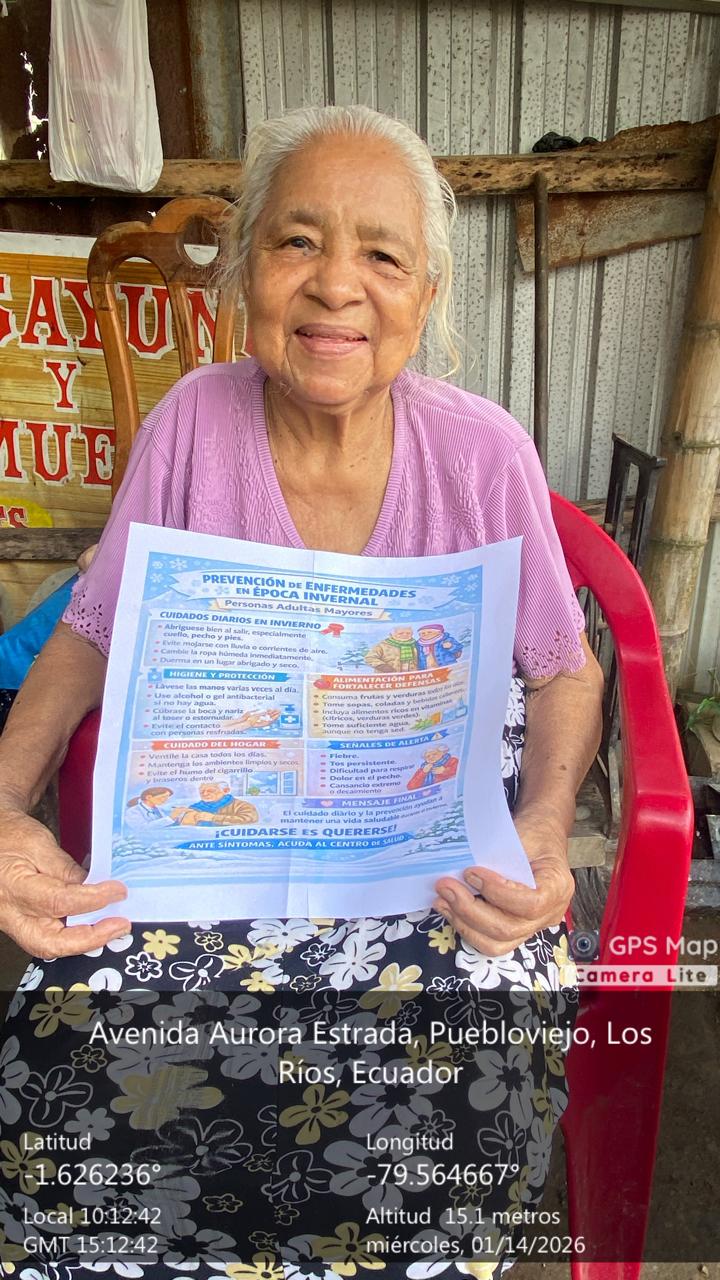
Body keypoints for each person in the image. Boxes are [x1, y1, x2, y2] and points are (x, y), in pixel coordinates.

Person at [0, 105, 603, 1277]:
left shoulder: (483, 454)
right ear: (243, 271)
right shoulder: (190, 425)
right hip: (206, 854)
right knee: (72, 1056)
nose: (336, 285)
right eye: (297, 241)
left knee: (462, 1076)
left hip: (432, 868)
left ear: (427, 295)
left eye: (382, 255)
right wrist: (5, 807)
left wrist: (540, 823)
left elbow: (562, 666)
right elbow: (83, 639)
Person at [170, 780, 260, 826]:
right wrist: (176, 818)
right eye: (202, 792)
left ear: (225, 791)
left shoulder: (241, 805)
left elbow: (249, 819)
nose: (205, 794)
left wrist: (213, 818)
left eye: (211, 791)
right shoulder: (195, 807)